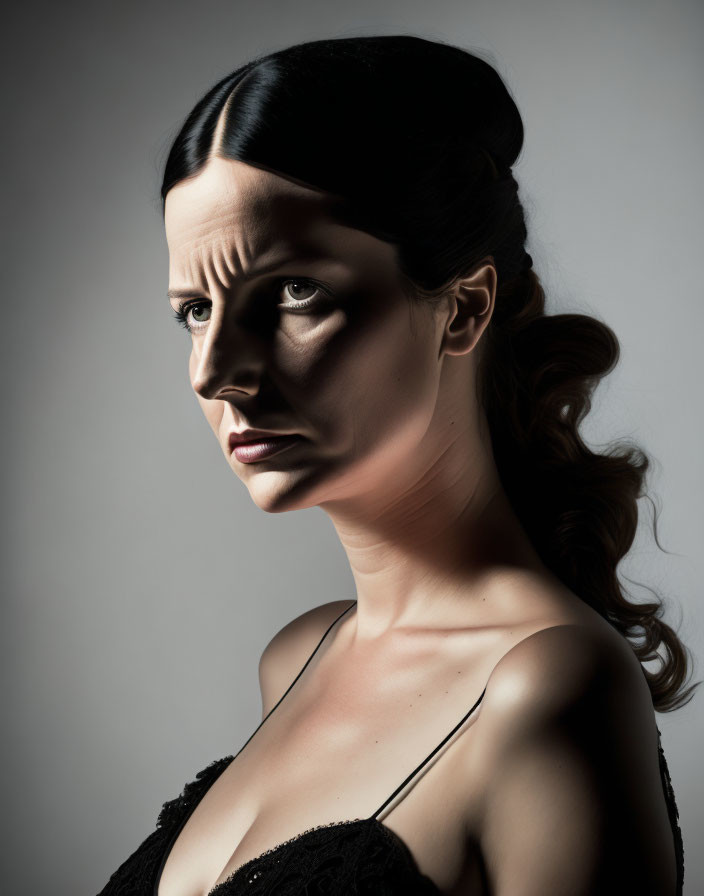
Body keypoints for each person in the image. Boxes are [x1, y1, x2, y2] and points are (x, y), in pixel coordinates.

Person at [98, 35, 694, 896]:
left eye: (295, 292)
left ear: (463, 308)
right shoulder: (299, 656)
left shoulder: (550, 690)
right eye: (195, 309)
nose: (214, 369)